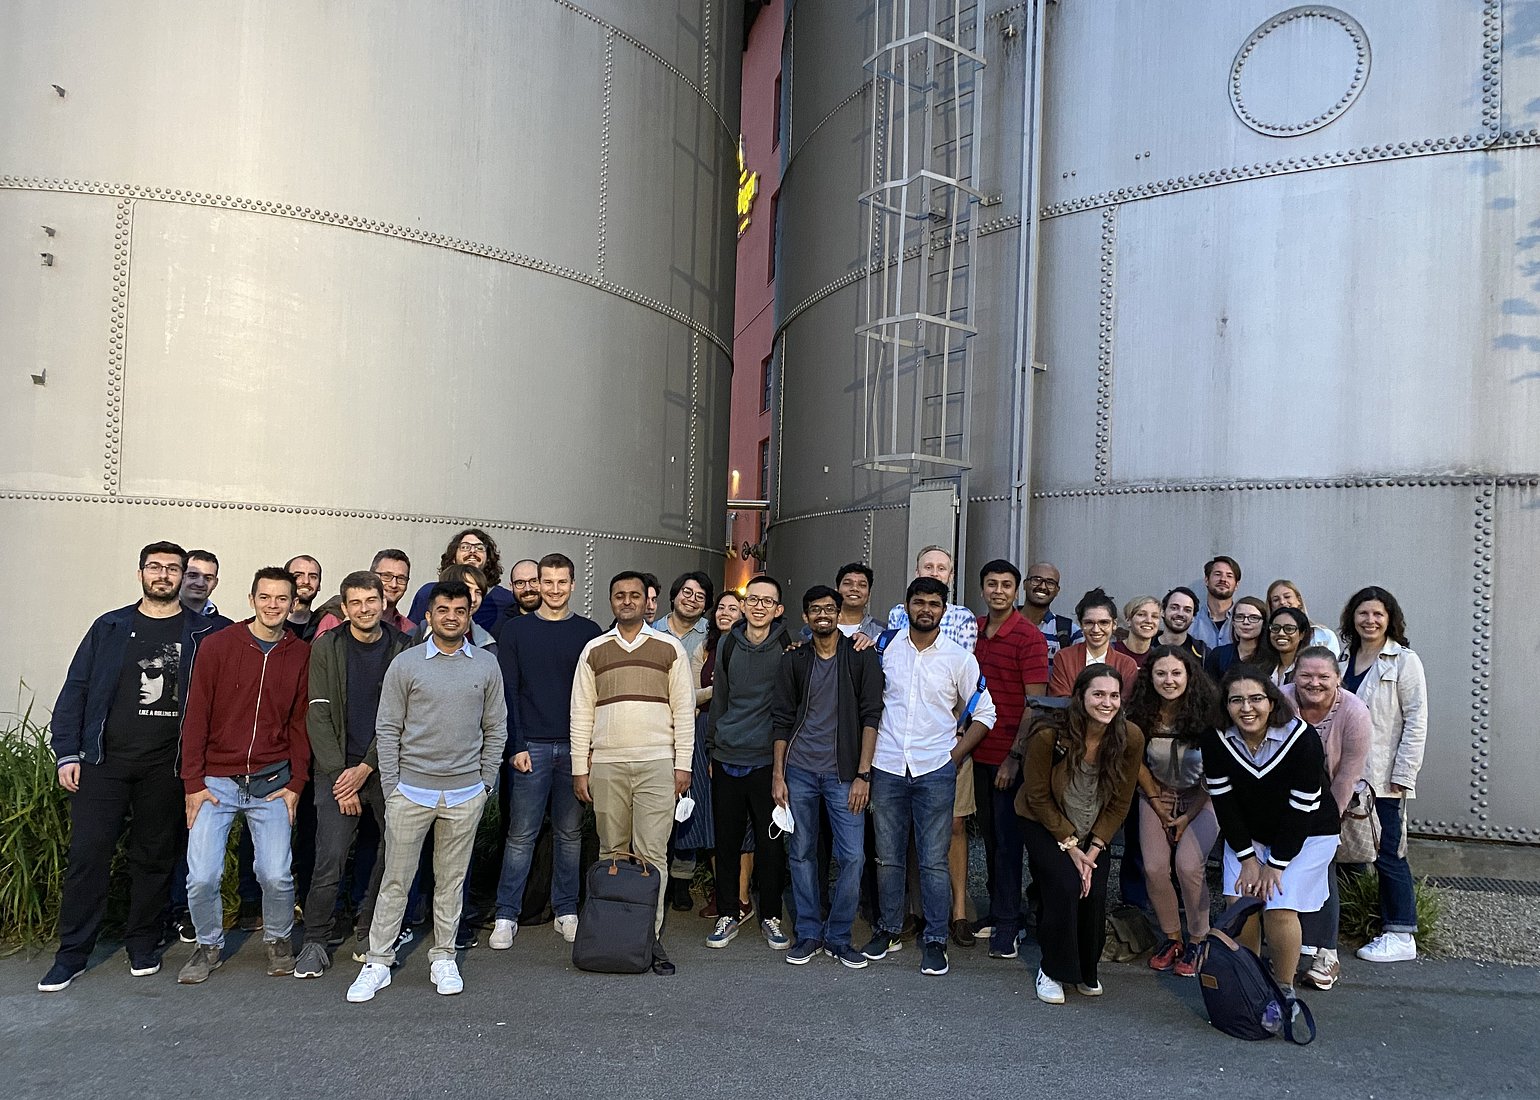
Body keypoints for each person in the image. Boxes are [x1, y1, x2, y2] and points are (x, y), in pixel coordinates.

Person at [38, 543, 222, 993]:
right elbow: (76, 688)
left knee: (154, 858)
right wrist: (67, 751)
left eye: (172, 569)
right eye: (155, 567)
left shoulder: (202, 632)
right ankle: (72, 954)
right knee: (87, 858)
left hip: (166, 765)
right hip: (103, 763)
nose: (163, 575)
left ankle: (142, 942)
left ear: (183, 576)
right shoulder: (111, 625)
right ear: (141, 572)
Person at [345, 581, 507, 1002]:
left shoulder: (486, 666)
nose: (451, 616)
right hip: (410, 792)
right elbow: (388, 727)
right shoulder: (407, 663)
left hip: (464, 793)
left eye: (459, 610)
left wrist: (485, 784)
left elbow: (496, 728)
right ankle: (378, 961)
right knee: (396, 880)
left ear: (469, 615)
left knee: (450, 882)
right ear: (429, 616)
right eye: (442, 609)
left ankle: (443, 956)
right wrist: (392, 787)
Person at [177, 567, 312, 984]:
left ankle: (277, 939)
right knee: (202, 875)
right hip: (215, 782)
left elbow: (300, 723)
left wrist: (296, 783)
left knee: (276, 873)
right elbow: (195, 715)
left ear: (293, 604)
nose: (274, 606)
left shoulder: (300, 654)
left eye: (282, 599)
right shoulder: (219, 646)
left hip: (272, 782)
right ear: (252, 599)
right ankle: (208, 944)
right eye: (266, 597)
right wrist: (193, 783)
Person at [862, 577, 996, 978]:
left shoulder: (958, 658)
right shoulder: (884, 649)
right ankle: (888, 929)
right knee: (887, 857)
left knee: (935, 860)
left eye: (934, 604)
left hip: (934, 770)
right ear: (906, 607)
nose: (926, 609)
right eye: (918, 602)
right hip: (886, 766)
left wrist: (953, 757)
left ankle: (935, 939)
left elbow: (985, 712)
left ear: (943, 610)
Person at [569, 571, 695, 974]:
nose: (627, 601)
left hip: (657, 763)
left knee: (651, 854)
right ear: (612, 601)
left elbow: (684, 712)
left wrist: (683, 764)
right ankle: (611, 934)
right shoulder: (593, 650)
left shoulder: (669, 648)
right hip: (606, 763)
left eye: (634, 595)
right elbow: (581, 713)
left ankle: (647, 937)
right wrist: (579, 768)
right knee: (610, 852)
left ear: (648, 602)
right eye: (619, 595)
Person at [293, 571, 415, 980]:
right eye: (356, 603)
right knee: (329, 858)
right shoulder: (327, 646)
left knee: (392, 851)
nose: (365, 609)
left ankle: (369, 931)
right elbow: (318, 710)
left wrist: (365, 768)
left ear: (384, 603)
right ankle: (315, 940)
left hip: (384, 768)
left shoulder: (403, 647)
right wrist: (340, 774)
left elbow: (404, 716)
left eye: (371, 601)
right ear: (344, 608)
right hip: (336, 768)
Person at [1202, 667, 1339, 1026]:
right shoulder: (1216, 738)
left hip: (1308, 834)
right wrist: (1247, 858)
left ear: (1272, 701)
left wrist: (1275, 864)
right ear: (1226, 705)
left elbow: (1302, 807)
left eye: (1255, 698)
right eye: (1236, 700)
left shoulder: (1303, 739)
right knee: (1242, 902)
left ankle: (1283, 987)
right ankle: (1253, 980)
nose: (1247, 708)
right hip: (1250, 834)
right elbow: (1224, 802)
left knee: (1279, 904)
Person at [489, 553, 602, 950]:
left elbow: (595, 697)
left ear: (573, 585)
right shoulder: (517, 631)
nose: (553, 590)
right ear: (537, 584)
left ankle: (566, 909)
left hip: (574, 747)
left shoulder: (589, 632)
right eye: (546, 582)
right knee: (521, 834)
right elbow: (509, 692)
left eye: (561, 582)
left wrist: (587, 750)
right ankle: (507, 913)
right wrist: (515, 745)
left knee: (570, 833)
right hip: (531, 747)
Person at [770, 585, 884, 968]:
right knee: (801, 854)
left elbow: (872, 716)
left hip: (844, 774)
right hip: (799, 771)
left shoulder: (860, 657)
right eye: (815, 609)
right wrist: (779, 774)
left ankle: (838, 936)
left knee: (852, 857)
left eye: (829, 609)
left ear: (839, 614)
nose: (823, 614)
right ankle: (808, 932)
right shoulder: (795, 660)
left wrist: (863, 775)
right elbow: (782, 719)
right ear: (805, 617)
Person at [1015, 667, 1143, 1005]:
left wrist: (1096, 849)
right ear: (1080, 696)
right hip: (1045, 821)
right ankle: (1053, 969)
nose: (1107, 702)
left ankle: (1086, 969)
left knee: (1094, 891)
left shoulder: (1129, 737)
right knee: (1066, 885)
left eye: (1114, 695)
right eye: (1098, 695)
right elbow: (1037, 796)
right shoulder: (1049, 735)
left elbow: (1121, 802)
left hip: (1093, 828)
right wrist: (1072, 848)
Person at [705, 575, 796, 951]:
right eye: (752, 599)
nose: (759, 606)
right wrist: (712, 747)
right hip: (727, 757)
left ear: (779, 610)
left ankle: (771, 916)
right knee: (725, 842)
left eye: (767, 601)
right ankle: (728, 912)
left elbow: (790, 709)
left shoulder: (789, 649)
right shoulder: (728, 644)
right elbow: (720, 702)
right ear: (743, 606)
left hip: (766, 762)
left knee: (770, 845)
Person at [1339, 586, 1428, 965]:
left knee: (1388, 852)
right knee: (1345, 849)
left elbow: (1417, 720)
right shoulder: (1343, 658)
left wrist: (1404, 773)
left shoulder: (1404, 661)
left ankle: (1401, 932)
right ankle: (1342, 922)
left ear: (1390, 618)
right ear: (1352, 618)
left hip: (1383, 776)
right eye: (1363, 613)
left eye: (1377, 614)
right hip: (1345, 772)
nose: (1370, 620)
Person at [1125, 646, 1220, 978]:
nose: (1168, 680)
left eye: (1176, 673)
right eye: (1161, 673)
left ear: (1189, 675)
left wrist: (1188, 815)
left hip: (1203, 796)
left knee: (1189, 865)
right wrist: (1155, 800)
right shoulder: (1140, 711)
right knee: (1153, 867)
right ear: (1149, 677)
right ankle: (1172, 937)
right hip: (1154, 793)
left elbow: (1217, 772)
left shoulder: (1209, 713)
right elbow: (1135, 760)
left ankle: (1198, 937)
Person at [971, 559, 1049, 958]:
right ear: (982, 588)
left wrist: (1014, 758)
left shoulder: (1028, 637)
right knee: (990, 838)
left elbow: (1034, 704)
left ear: (1016, 591)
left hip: (1008, 757)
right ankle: (999, 908)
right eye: (991, 583)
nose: (998, 590)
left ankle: (1009, 922)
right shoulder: (978, 633)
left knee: (1008, 842)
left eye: (1006, 584)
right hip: (977, 753)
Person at [1285, 647, 1372, 991]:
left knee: (1323, 867)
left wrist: (1324, 829)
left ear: (1338, 678)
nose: (1314, 683)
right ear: (1295, 676)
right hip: (1286, 796)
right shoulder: (1282, 701)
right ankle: (1281, 949)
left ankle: (1326, 953)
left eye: (1324, 676)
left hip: (1332, 797)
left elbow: (1347, 776)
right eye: (1306, 675)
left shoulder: (1354, 712)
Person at [679, 591, 751, 919]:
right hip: (705, 729)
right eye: (721, 607)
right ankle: (721, 893)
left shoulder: (750, 645)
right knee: (711, 816)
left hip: (739, 732)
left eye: (732, 608)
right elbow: (690, 692)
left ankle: (741, 895)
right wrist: (716, 689)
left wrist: (717, 692)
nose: (724, 612)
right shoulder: (704, 648)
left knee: (743, 818)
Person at [406, 529, 513, 630]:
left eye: (479, 548)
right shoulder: (428, 593)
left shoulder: (505, 599)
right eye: (465, 547)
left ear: (488, 559)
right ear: (453, 557)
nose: (472, 551)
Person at [1047, 588, 1138, 697]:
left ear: (1114, 625)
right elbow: (1060, 701)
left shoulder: (1126, 664)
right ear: (1080, 624)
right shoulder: (1064, 658)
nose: (1096, 629)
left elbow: (1125, 705)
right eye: (1089, 622)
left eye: (1103, 622)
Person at [312, 550, 414, 637]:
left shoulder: (409, 629)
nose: (393, 584)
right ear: (371, 576)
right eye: (386, 576)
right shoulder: (335, 618)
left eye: (401, 578)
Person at [1020, 562, 1082, 674]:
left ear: (1057, 590)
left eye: (1050, 583)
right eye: (1036, 580)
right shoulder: (1004, 623)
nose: (1042, 587)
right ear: (1025, 584)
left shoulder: (1070, 631)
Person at [1203, 595, 1276, 681]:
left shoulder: (1272, 658)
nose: (1245, 622)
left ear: (1264, 623)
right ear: (1233, 622)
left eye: (1253, 618)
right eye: (1240, 617)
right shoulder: (1219, 655)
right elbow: (1209, 690)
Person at [1267, 579, 1341, 657]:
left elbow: (1333, 666)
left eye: (1287, 596)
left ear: (1299, 600)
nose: (1282, 602)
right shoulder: (1267, 638)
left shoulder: (1322, 635)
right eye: (1276, 600)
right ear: (1271, 606)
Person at [1188, 555, 1241, 651]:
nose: (1223, 579)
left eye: (1229, 576)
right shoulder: (1192, 620)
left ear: (1236, 585)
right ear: (1206, 580)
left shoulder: (1244, 621)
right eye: (1217, 574)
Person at [1156, 586, 1208, 663]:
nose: (1180, 614)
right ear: (1163, 612)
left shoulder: (1202, 652)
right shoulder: (1148, 645)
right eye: (1174, 608)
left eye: (1187, 610)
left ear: (1193, 617)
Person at [834, 562, 884, 640]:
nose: (854, 588)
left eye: (862, 585)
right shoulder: (816, 629)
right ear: (836, 591)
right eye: (847, 583)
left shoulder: (882, 632)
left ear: (869, 594)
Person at [179, 550, 229, 624]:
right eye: (193, 576)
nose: (200, 584)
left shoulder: (225, 627)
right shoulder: (160, 618)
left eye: (208, 578)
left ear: (215, 583)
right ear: (180, 576)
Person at [1113, 595, 1161, 671]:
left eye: (1154, 616)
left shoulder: (1159, 657)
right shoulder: (1111, 652)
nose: (1149, 620)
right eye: (1141, 614)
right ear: (1128, 620)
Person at [283, 555, 324, 643]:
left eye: (313, 577)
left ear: (319, 585)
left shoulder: (323, 627)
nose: (306, 581)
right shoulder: (269, 623)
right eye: (298, 575)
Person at [1267, 606, 1312, 686]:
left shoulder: (1309, 668)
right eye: (1275, 628)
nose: (1281, 633)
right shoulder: (1262, 667)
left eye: (1289, 629)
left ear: (1302, 634)